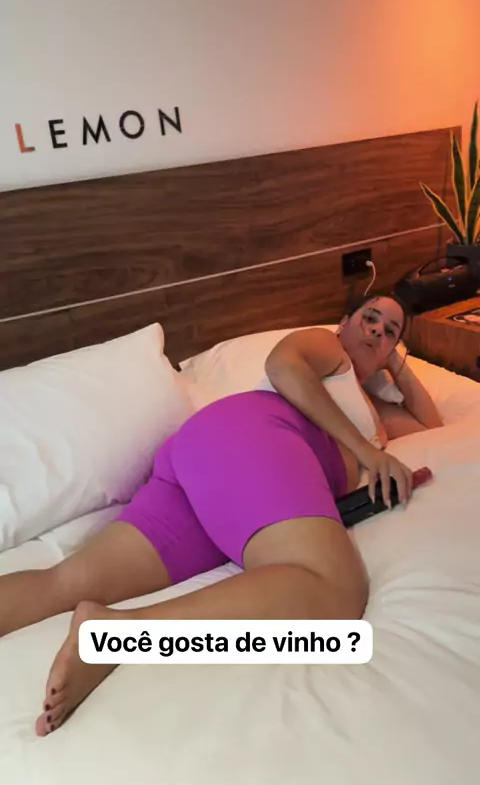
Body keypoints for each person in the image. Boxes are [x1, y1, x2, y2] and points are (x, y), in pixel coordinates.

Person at [0, 293, 443, 736]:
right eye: (369, 319)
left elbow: (431, 423)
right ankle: (117, 635)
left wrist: (396, 363)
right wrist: (367, 450)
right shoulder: (330, 350)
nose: (376, 331)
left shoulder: (376, 413)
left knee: (66, 582)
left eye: (390, 332)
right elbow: (282, 366)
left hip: (218, 474)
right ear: (343, 322)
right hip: (254, 438)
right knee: (335, 592)